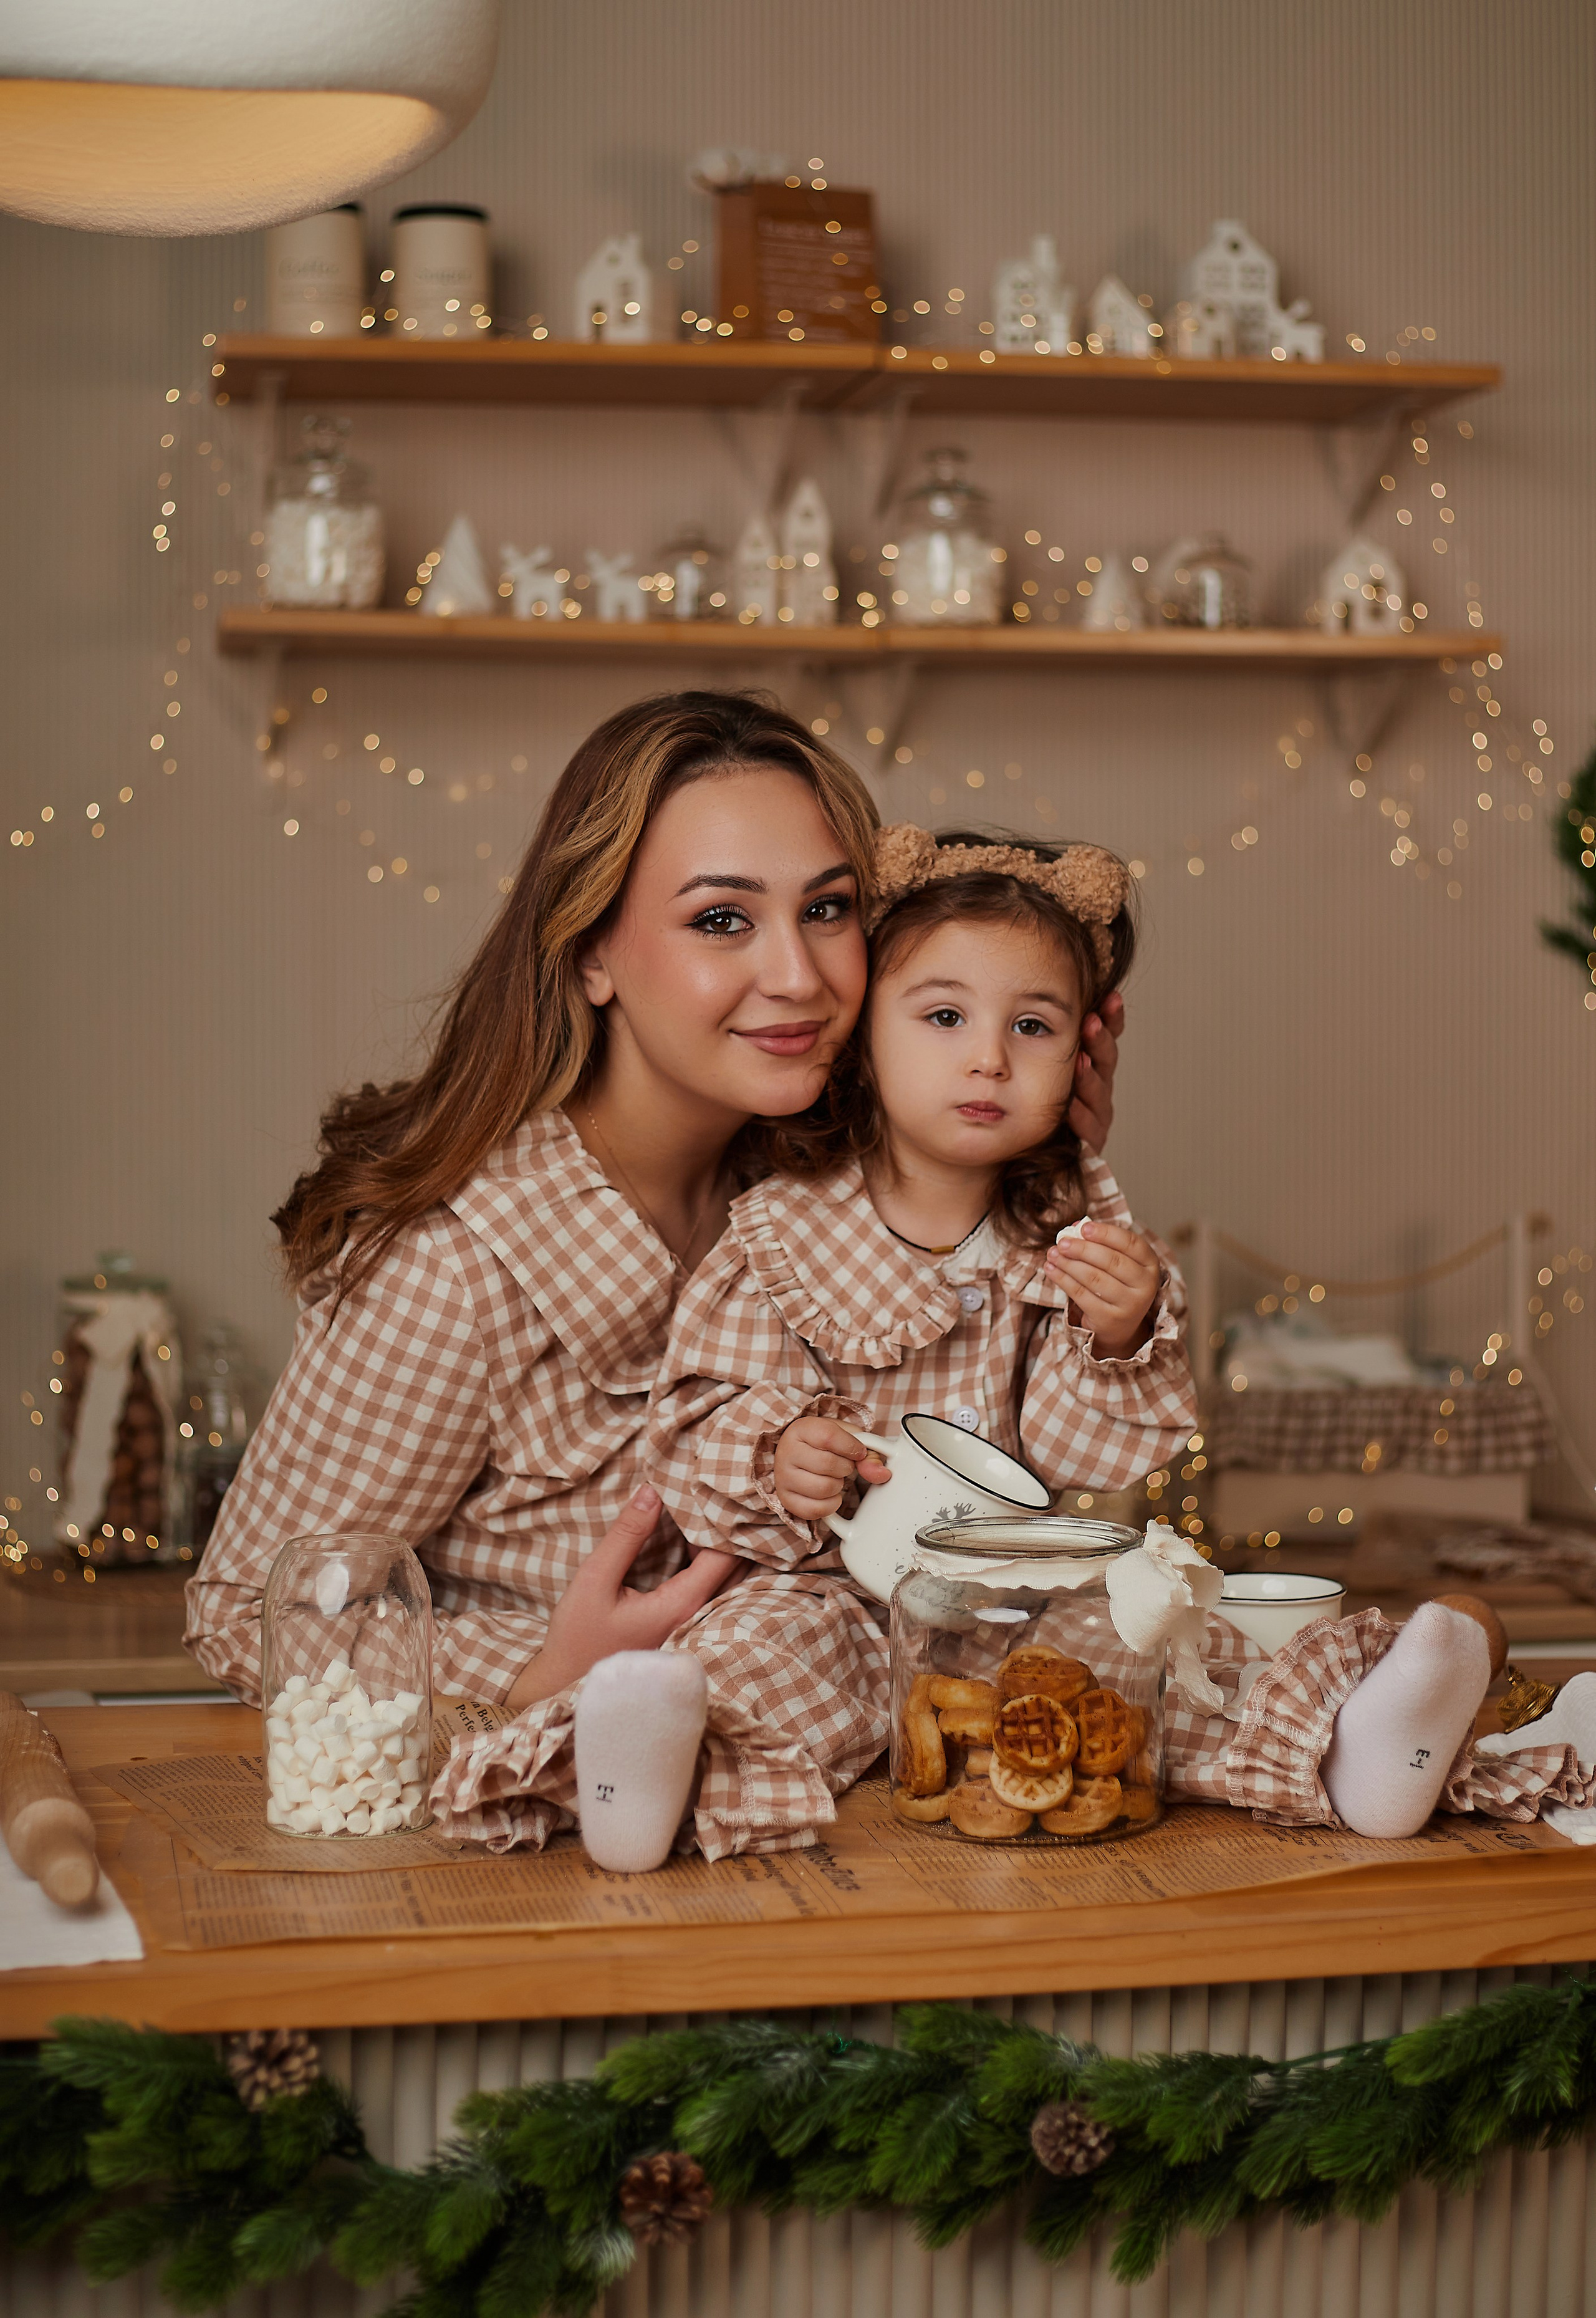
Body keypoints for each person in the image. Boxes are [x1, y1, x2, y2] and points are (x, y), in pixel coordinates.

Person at [183, 695, 1127, 1859]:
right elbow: (244, 1610)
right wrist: (545, 1671)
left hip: (852, 1813)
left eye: (828, 910)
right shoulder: (459, 1264)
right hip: (558, 1865)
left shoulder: (823, 1177)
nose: (799, 974)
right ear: (591, 954)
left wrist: (1043, 1133)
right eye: (722, 918)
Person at [640, 828, 1196, 1845]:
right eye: (944, 1016)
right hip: (831, 1592)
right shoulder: (787, 1230)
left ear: (1081, 1053)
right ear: (862, 1040)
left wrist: (1116, 1330)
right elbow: (690, 1421)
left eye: (1033, 1026)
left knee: (1159, 1641)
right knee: (752, 1663)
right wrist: (781, 1453)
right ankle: (649, 1769)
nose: (989, 1056)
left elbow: (1073, 1460)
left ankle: (1346, 1737)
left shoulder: (1070, 1225)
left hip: (1022, 1588)